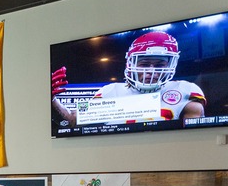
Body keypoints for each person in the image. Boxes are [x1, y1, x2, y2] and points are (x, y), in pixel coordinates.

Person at [52, 31, 206, 127]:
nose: (151, 70)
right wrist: (51, 99)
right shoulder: (109, 91)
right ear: (131, 63)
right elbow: (72, 120)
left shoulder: (184, 90)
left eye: (159, 64)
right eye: (145, 64)